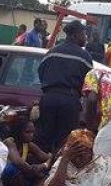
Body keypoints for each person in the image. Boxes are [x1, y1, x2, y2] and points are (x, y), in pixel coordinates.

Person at [37, 20, 93, 154]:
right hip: (69, 101)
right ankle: (58, 170)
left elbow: (41, 72)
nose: (85, 37)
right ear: (75, 35)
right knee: (65, 142)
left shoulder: (51, 52)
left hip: (48, 99)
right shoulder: (84, 56)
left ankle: (42, 169)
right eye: (84, 34)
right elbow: (89, 85)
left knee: (44, 139)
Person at [1, 117, 51, 186]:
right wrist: (34, 169)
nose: (31, 135)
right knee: (13, 169)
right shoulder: (9, 142)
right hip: (5, 181)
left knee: (48, 174)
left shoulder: (29, 145)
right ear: (18, 132)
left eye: (32, 132)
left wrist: (44, 165)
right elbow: (18, 162)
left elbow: (50, 157)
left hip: (20, 181)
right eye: (27, 132)